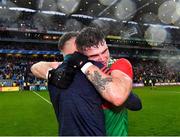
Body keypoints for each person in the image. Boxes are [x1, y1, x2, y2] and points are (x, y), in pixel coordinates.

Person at [31, 29, 142, 136]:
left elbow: (131, 102)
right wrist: (51, 73)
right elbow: (36, 67)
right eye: (94, 55)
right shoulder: (69, 70)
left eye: (105, 51)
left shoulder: (115, 66)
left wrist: (85, 65)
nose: (102, 58)